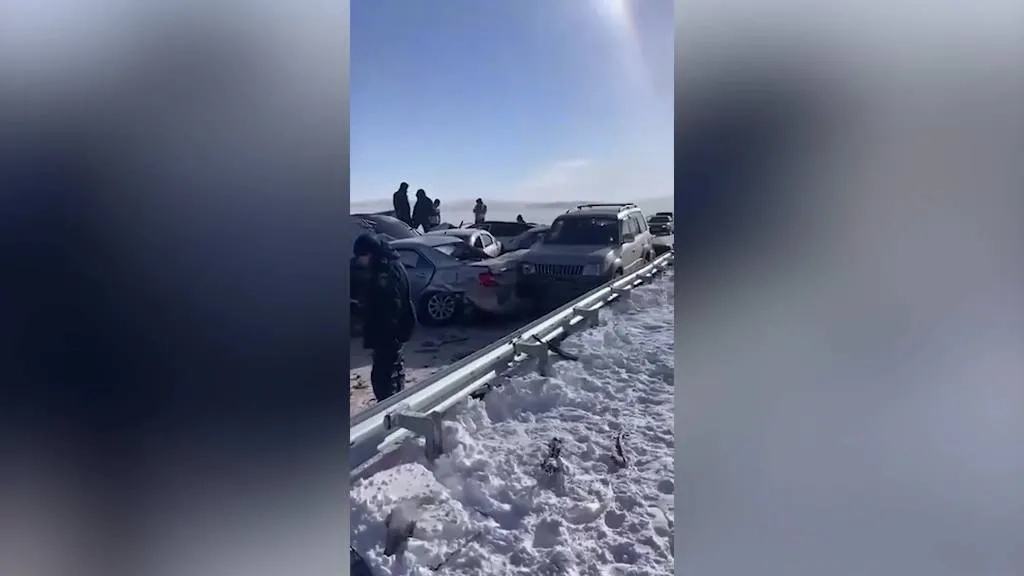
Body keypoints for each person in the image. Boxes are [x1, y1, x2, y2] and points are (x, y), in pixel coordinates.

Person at [352, 233, 416, 402]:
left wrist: (381, 331)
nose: (359, 261)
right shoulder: (391, 264)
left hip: (388, 336)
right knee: (394, 373)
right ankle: (397, 405)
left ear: (369, 253)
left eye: (361, 256)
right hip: (394, 333)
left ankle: (389, 410)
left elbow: (390, 305)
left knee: (383, 380)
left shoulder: (386, 271)